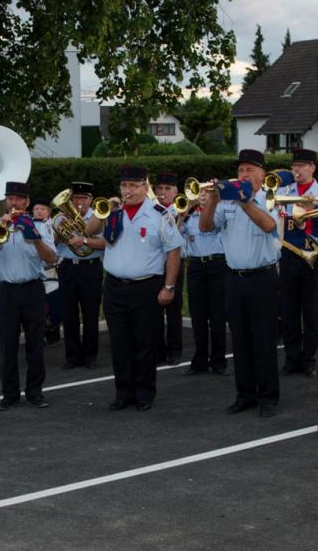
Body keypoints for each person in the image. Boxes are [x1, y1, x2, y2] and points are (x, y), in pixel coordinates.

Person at [83, 166, 181, 411]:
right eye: (124, 185)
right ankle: (123, 393)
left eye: (133, 186)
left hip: (146, 287)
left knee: (144, 343)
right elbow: (89, 231)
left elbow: (173, 251)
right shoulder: (113, 212)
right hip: (115, 286)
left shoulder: (159, 214)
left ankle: (144, 393)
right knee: (119, 343)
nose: (128, 190)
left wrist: (169, 287)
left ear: (145, 187)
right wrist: (105, 208)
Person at [201, 149, 281, 418]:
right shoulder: (227, 202)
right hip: (234, 278)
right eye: (240, 170)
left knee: (263, 339)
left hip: (263, 278)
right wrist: (212, 200)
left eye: (249, 170)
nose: (243, 175)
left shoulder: (270, 200)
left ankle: (268, 397)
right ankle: (245, 394)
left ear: (262, 175)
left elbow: (269, 225)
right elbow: (205, 227)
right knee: (240, 339)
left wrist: (246, 201)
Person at [0, 182, 57, 410]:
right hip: (6, 290)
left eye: (18, 199)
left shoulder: (41, 227)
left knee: (35, 343)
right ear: (6, 201)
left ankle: (35, 392)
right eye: (10, 199)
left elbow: (51, 259)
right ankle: (9, 394)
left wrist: (34, 237)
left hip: (32, 288)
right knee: (7, 344)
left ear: (26, 202)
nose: (13, 203)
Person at [279, 148, 318, 377]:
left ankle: (309, 358)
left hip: (313, 257)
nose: (298, 170)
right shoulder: (284, 191)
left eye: (303, 166)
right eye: (295, 166)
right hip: (289, 255)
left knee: (311, 310)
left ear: (313, 168)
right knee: (289, 310)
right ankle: (291, 358)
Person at [180, 184, 228, 376]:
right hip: (196, 266)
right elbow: (175, 234)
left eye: (207, 194)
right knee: (198, 316)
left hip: (217, 264)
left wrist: (214, 202)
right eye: (200, 193)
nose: (203, 197)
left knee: (217, 315)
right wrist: (183, 212)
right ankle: (199, 360)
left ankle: (219, 361)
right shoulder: (190, 216)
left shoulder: (220, 212)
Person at [56, 182, 104, 370]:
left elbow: (105, 244)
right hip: (67, 268)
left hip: (90, 268)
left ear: (90, 200)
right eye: (76, 198)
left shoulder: (99, 216)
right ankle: (72, 356)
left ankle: (90, 356)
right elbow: (52, 244)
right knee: (69, 314)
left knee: (91, 313)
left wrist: (83, 239)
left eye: (83, 198)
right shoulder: (61, 217)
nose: (79, 202)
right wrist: (59, 232)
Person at [152, 172, 185, 365]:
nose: (163, 193)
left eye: (168, 189)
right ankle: (157, 350)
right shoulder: (152, 209)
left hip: (174, 264)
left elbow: (178, 236)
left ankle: (175, 350)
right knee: (154, 310)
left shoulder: (181, 209)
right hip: (155, 264)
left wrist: (182, 216)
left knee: (174, 309)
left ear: (176, 191)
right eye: (160, 189)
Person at [31, 196, 62, 346]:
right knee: (38, 306)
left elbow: (53, 245)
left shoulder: (51, 224)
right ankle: (40, 334)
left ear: (48, 212)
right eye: (36, 209)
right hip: (35, 270)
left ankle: (53, 332)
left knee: (53, 303)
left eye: (42, 209)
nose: (39, 211)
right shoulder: (28, 224)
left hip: (50, 268)